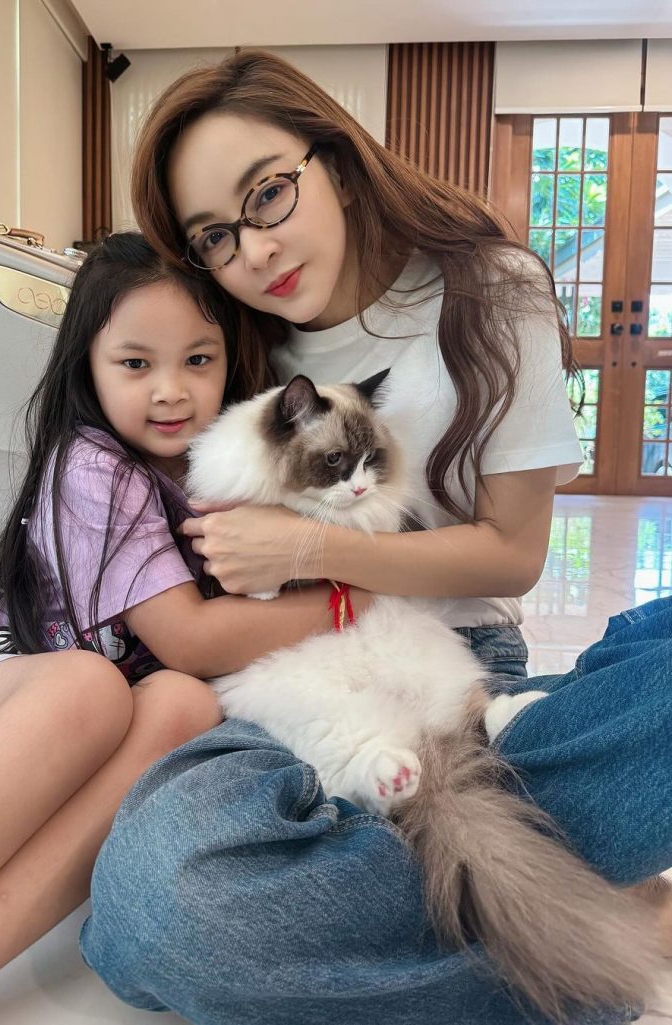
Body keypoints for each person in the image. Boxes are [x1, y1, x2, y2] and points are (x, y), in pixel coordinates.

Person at [77, 50, 672, 1024]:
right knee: (160, 911)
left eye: (268, 194)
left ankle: (499, 843)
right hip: (296, 676)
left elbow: (512, 552)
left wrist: (311, 548)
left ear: (340, 163)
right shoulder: (224, 342)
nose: (254, 251)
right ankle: (579, 918)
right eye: (216, 236)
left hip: (456, 659)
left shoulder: (489, 291)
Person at [0, 232, 350, 1025]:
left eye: (198, 359)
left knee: (186, 703)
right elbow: (188, 635)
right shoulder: (91, 463)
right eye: (135, 363)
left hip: (95, 730)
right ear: (87, 364)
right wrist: (358, 598)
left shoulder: (222, 466)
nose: (171, 391)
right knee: (95, 686)